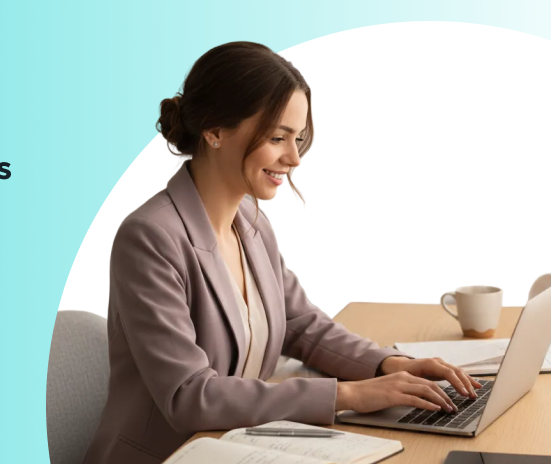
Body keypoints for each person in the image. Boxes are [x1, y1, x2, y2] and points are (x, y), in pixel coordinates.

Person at [81, 41, 482, 464]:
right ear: (214, 131)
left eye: (298, 138)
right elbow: (189, 395)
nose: (293, 157)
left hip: (241, 446)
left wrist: (388, 365)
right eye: (277, 137)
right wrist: (347, 395)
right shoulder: (149, 238)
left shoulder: (251, 221)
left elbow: (300, 323)